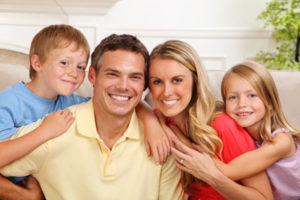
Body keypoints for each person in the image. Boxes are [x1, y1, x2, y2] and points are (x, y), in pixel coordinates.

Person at [0, 34, 185, 200]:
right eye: (113, 74)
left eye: (135, 77)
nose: (123, 86)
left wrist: (150, 121)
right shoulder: (55, 128)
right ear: (92, 76)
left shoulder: (162, 142)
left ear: (145, 84)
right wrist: (21, 194)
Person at [148, 40, 273, 199]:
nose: (166, 92)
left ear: (195, 80)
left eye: (177, 80)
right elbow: (136, 105)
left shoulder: (222, 126)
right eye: (157, 81)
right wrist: (151, 121)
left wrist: (211, 175)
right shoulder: (162, 118)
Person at [213, 61, 300, 200]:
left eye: (252, 95)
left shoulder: (281, 141)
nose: (242, 104)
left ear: (270, 102)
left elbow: (228, 171)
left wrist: (188, 146)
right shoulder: (242, 135)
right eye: (233, 97)